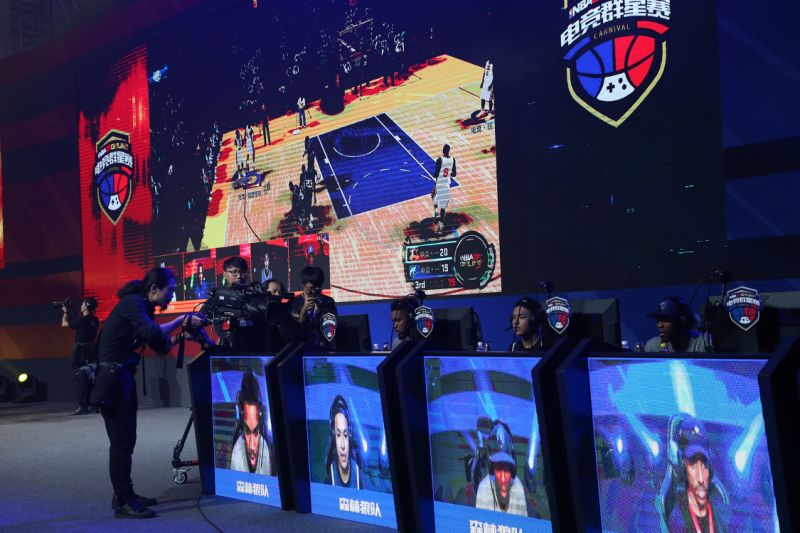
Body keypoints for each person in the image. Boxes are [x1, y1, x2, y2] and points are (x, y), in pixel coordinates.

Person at [95, 268, 207, 518]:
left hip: (121, 377)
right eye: (170, 291)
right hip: (113, 379)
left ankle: (125, 493)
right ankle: (123, 500)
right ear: (154, 289)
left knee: (125, 441)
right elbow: (153, 333)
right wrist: (181, 319)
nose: (172, 296)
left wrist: (181, 335)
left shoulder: (142, 306)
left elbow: (161, 344)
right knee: (122, 443)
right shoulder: (133, 303)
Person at [667, 417, 727, 533]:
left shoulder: (722, 517)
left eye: (704, 464)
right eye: (693, 464)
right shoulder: (677, 522)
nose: (701, 479)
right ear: (683, 467)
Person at [475, 420, 527, 515]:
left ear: (512, 470)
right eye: (498, 468)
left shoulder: (518, 487)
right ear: (492, 469)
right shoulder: (483, 488)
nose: (503, 478)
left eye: (506, 468)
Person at [62, 297, 100, 415]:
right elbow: (78, 323)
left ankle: (82, 406)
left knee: (79, 377)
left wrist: (65, 312)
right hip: (91, 351)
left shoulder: (82, 320)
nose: (81, 306)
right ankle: (94, 405)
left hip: (80, 352)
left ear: (86, 306)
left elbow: (64, 324)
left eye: (83, 304)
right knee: (91, 377)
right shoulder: (95, 320)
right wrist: (71, 310)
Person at [230, 370, 271, 475]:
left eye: (256, 432)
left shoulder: (265, 450)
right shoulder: (237, 455)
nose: (252, 447)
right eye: (248, 432)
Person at [290, 266, 336, 347]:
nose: (314, 291)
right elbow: (294, 329)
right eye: (310, 288)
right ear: (303, 284)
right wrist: (304, 309)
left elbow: (331, 329)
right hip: (301, 347)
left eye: (317, 288)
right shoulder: (294, 302)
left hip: (323, 346)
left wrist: (319, 312)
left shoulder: (328, 301)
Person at [644, 297, 710, 353]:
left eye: (665, 320)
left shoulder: (704, 342)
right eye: (658, 320)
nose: (659, 325)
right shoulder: (653, 346)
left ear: (683, 322)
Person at [325, 395, 362, 489]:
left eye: (345, 435)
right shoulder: (328, 481)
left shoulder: (359, 477)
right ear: (333, 438)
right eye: (338, 435)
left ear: (350, 437)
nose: (342, 445)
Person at [432, 144, 456, 233]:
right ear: (449, 151)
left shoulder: (440, 160)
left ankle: (436, 212)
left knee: (433, 196)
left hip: (439, 184)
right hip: (446, 185)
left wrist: (435, 175)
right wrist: (448, 173)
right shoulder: (453, 159)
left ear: (443, 151)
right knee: (443, 207)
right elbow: (454, 174)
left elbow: (436, 174)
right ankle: (441, 226)